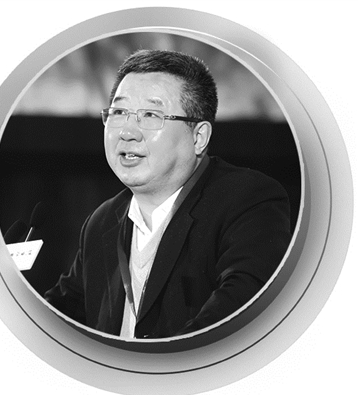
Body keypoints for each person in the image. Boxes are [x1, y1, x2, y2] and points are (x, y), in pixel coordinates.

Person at [44, 49, 291, 339]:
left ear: (199, 137)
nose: (127, 132)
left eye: (151, 115)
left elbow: (237, 314)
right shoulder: (102, 222)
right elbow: (57, 317)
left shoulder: (248, 201)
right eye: (119, 112)